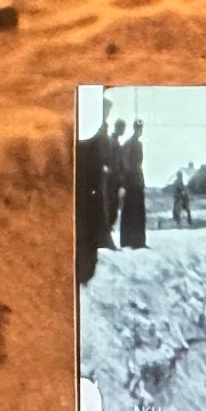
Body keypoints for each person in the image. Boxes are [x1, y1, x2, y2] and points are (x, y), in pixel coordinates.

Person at [75, 105, 118, 285]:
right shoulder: (90, 133)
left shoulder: (95, 132)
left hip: (92, 185)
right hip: (89, 186)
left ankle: (86, 268)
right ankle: (84, 270)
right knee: (89, 226)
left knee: (92, 225)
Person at [115, 119, 148, 249]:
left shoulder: (133, 143)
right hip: (133, 181)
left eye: (141, 129)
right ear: (135, 129)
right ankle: (132, 241)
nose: (140, 131)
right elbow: (127, 164)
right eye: (138, 128)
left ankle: (135, 241)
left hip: (135, 181)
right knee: (132, 211)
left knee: (134, 211)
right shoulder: (131, 144)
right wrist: (129, 178)